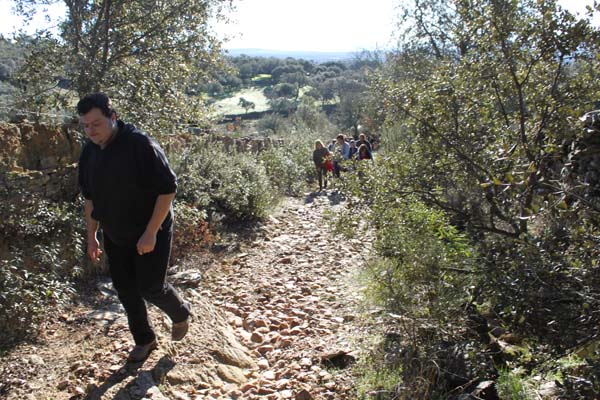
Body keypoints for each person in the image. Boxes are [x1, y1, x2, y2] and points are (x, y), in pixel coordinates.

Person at [77, 93, 192, 363]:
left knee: (150, 287)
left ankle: (181, 313)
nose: (91, 131)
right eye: (85, 125)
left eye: (96, 124)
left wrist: (150, 232)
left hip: (151, 229)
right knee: (125, 289)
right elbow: (90, 198)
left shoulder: (140, 145)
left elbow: (167, 190)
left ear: (113, 117)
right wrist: (92, 236)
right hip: (115, 233)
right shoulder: (89, 152)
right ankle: (145, 340)